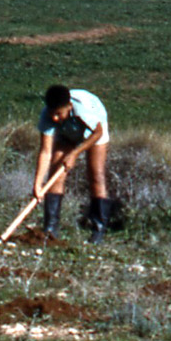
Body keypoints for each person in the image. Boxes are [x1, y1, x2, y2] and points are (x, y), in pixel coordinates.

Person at [33, 85, 111, 243]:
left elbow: (98, 133)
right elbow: (45, 151)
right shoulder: (47, 115)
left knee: (96, 174)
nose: (54, 118)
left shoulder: (84, 110)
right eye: (52, 113)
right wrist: (38, 183)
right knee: (57, 170)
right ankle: (50, 229)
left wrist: (74, 154)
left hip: (94, 131)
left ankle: (98, 229)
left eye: (58, 114)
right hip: (67, 131)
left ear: (69, 107)